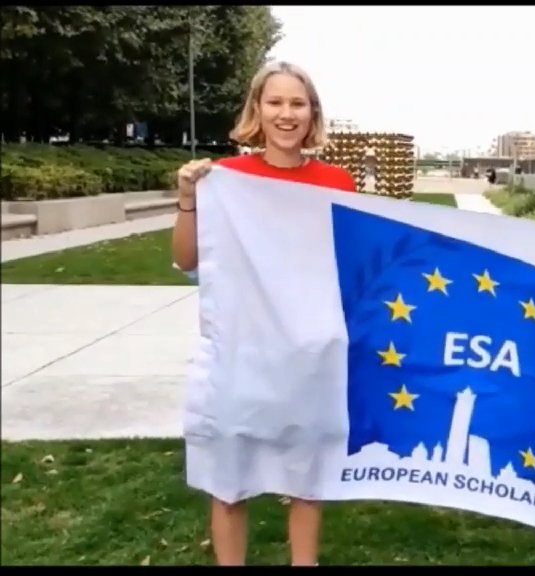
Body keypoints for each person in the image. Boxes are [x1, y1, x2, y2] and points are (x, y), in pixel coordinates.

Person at [171, 60, 356, 567]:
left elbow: (356, 264)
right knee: (229, 481)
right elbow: (187, 260)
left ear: (312, 113)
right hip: (242, 355)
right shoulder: (223, 178)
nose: (286, 114)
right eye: (275, 102)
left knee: (307, 481)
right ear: (257, 109)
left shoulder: (337, 183)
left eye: (298, 103)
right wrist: (187, 200)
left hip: (311, 356)